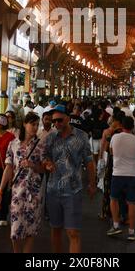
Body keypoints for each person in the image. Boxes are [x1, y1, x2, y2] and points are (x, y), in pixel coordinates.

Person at [43, 104, 96, 253]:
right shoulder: (51, 137)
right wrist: (46, 162)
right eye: (54, 121)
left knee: (73, 232)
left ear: (68, 118)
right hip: (53, 190)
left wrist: (92, 184)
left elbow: (89, 162)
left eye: (59, 120)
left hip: (73, 191)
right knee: (55, 230)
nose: (56, 124)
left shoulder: (81, 136)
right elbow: (44, 156)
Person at [0, 112, 46, 253]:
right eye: (32, 124)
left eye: (37, 124)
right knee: (15, 230)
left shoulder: (41, 145)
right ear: (24, 124)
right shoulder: (13, 144)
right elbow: (8, 168)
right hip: (17, 191)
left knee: (31, 230)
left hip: (34, 192)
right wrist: (0, 192)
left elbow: (43, 169)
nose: (35, 127)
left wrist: (32, 165)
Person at [107, 116, 135, 241]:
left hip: (117, 174)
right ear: (133, 127)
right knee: (132, 203)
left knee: (114, 199)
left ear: (121, 126)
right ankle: (131, 231)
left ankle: (115, 225)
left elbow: (111, 152)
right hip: (132, 175)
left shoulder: (115, 138)